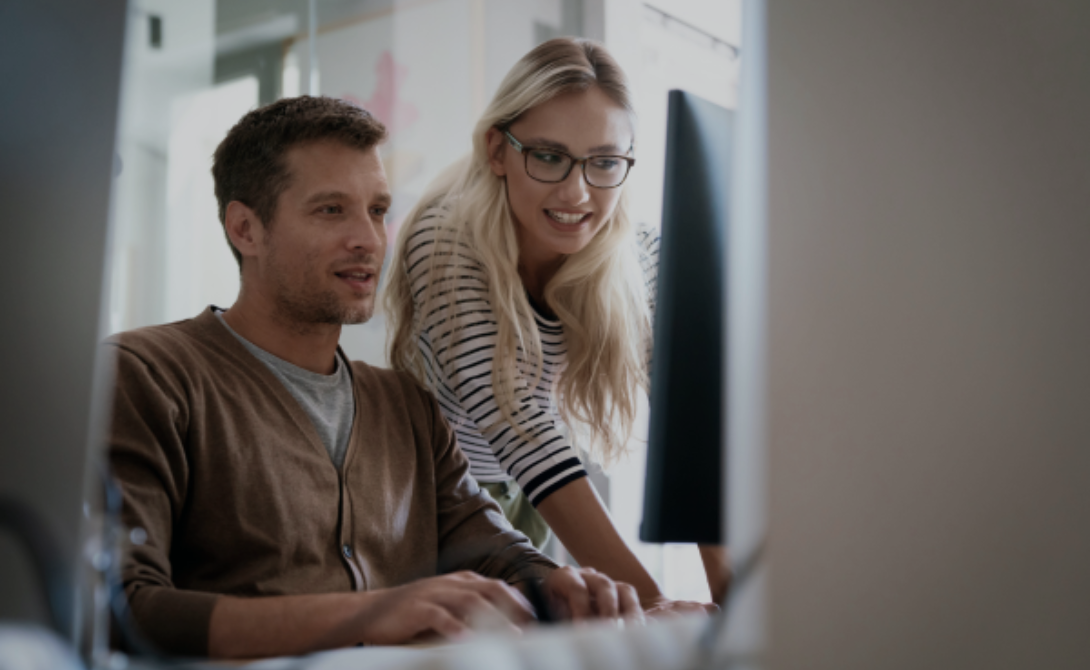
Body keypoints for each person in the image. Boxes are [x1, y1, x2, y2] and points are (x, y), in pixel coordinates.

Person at [106, 96, 642, 661]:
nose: (368, 239)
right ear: (245, 229)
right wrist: (369, 613)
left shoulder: (405, 404)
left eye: (378, 210)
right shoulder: (145, 375)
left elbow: (490, 547)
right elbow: (122, 607)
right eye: (331, 210)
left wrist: (560, 586)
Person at [385, 38, 720, 614]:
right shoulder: (445, 239)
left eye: (605, 161)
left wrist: (734, 595)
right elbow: (519, 422)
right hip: (426, 502)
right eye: (547, 156)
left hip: (534, 497)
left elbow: (696, 421)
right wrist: (653, 602)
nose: (576, 191)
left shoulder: (639, 256)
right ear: (498, 150)